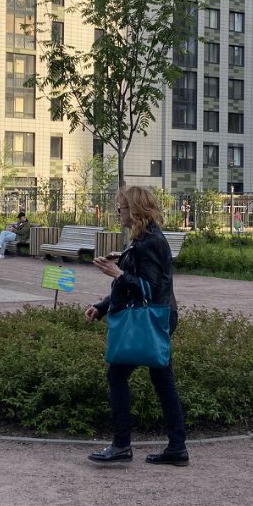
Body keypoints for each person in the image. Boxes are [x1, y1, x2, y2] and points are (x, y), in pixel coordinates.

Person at [85, 185, 188, 466]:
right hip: (156, 318)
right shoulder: (143, 239)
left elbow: (149, 289)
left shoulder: (150, 242)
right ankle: (176, 448)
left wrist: (117, 273)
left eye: (121, 207)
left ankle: (122, 445)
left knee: (117, 375)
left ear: (135, 209)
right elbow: (134, 286)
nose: (117, 212)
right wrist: (102, 306)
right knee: (162, 381)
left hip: (151, 319)